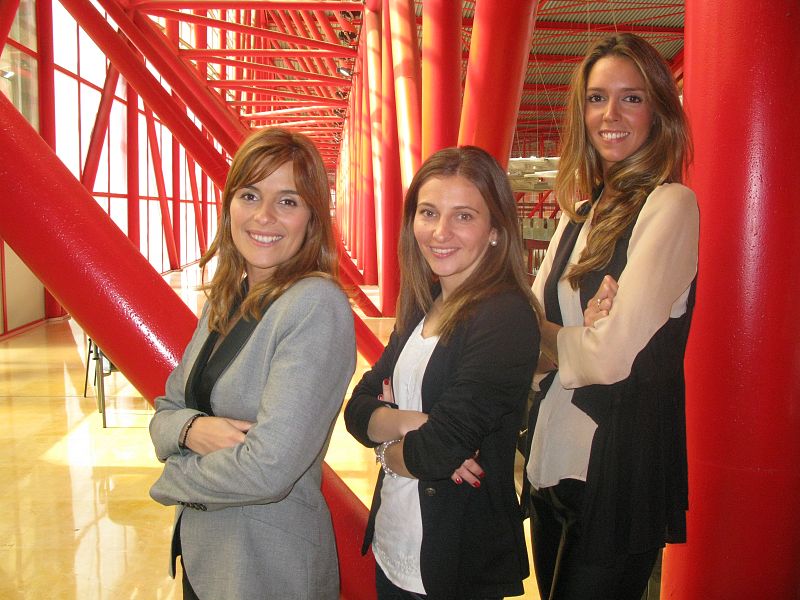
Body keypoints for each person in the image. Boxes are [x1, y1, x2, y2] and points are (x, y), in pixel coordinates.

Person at [523, 33, 699, 600]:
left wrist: (555, 337)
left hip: (618, 467)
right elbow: (520, 321)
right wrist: (571, 335)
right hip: (552, 462)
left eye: (632, 97)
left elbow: (611, 354)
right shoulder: (580, 214)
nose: (611, 115)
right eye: (597, 99)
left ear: (658, 111)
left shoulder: (670, 206)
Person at [148, 127, 356, 600]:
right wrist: (186, 430)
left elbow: (268, 469)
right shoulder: (227, 299)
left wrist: (173, 479)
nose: (264, 216)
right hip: (208, 560)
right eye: (250, 194)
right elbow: (165, 408)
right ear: (229, 206)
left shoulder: (315, 306)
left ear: (312, 219)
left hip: (267, 569)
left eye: (288, 201)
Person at [344, 146, 541, 600]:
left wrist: (389, 447)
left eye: (464, 216)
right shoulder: (422, 303)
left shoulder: (505, 316)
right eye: (428, 212)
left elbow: (438, 451)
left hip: (455, 562)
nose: (439, 232)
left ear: (495, 230)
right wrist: (419, 427)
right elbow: (357, 408)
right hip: (395, 549)